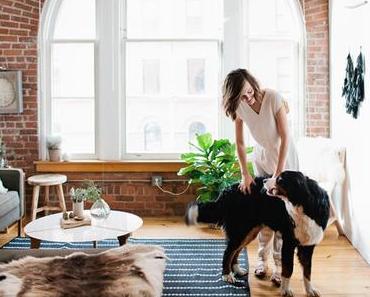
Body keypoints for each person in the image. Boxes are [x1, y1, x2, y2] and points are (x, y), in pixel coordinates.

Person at [222, 68, 299, 286]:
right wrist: (245, 174)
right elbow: (239, 143)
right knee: (263, 216)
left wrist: (279, 174)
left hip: (285, 161)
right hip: (262, 160)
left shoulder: (273, 97)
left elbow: (285, 137)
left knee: (284, 218)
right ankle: (261, 260)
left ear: (252, 82)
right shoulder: (240, 105)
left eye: (248, 92)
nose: (248, 98)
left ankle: (279, 266)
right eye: (242, 97)